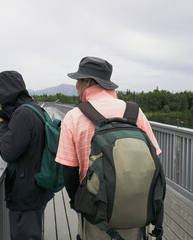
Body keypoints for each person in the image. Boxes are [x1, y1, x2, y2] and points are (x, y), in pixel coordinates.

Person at [55, 56, 162, 240]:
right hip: (137, 208)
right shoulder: (135, 112)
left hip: (96, 212)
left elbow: (69, 172)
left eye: (77, 81)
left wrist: (77, 203)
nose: (76, 86)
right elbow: (155, 157)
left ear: (87, 81)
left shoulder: (73, 117)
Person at [0, 70, 53, 240]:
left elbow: (8, 152)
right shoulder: (34, 108)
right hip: (37, 189)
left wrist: (1, 125)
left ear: (6, 92)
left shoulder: (23, 114)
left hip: (26, 196)